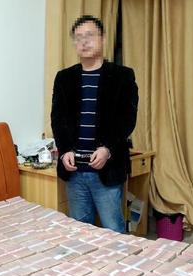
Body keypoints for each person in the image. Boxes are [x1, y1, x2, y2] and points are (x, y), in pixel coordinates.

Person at [51, 15, 139, 233]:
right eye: (78, 37)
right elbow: (58, 119)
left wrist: (107, 148)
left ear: (103, 38)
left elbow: (127, 118)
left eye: (89, 35)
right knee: (80, 231)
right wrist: (64, 150)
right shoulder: (64, 78)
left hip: (107, 168)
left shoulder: (122, 76)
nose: (84, 41)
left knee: (113, 229)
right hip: (74, 170)